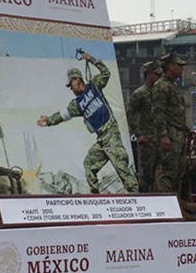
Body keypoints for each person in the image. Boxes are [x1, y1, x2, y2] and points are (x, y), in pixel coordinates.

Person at [37, 51, 138, 193]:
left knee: (122, 169)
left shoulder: (94, 86)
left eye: (71, 84)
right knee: (89, 164)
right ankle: (95, 195)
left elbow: (106, 73)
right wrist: (48, 121)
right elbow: (63, 115)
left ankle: (138, 198)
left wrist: (91, 59)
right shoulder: (76, 104)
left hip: (111, 134)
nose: (71, 88)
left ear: (77, 79)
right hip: (102, 140)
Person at [150, 53, 190, 199]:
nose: (181, 69)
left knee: (177, 173)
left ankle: (176, 204)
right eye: (179, 66)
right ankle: (166, 204)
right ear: (170, 66)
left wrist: (186, 129)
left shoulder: (171, 86)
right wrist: (163, 136)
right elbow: (158, 112)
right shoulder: (161, 86)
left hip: (178, 135)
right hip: (170, 136)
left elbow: (174, 113)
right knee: (166, 172)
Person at [126, 60, 162, 194]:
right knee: (147, 175)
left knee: (163, 175)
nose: (159, 77)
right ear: (148, 75)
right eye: (156, 74)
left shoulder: (161, 92)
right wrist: (138, 133)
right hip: (147, 140)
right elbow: (130, 113)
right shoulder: (139, 93)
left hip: (162, 139)